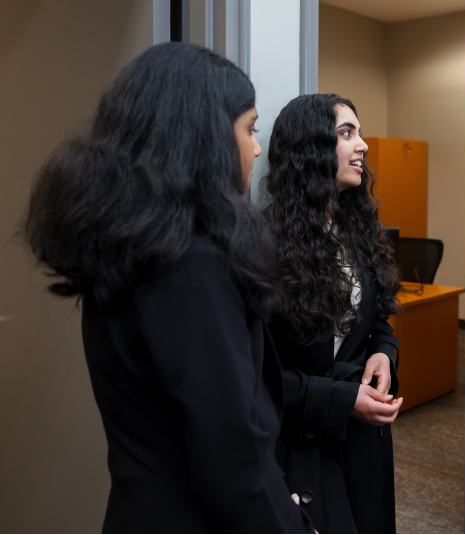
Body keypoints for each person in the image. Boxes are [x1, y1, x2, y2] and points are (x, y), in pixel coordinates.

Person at [22, 43, 314, 534]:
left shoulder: (128, 249)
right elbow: (232, 460)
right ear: (205, 136)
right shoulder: (192, 265)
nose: (258, 147)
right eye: (250, 128)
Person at [263, 93, 404, 534]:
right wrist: (342, 401)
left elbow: (376, 320)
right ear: (310, 149)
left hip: (362, 446)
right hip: (301, 447)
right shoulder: (261, 245)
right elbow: (255, 375)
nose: (362, 145)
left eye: (359, 133)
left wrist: (384, 355)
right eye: (347, 133)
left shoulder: (356, 230)